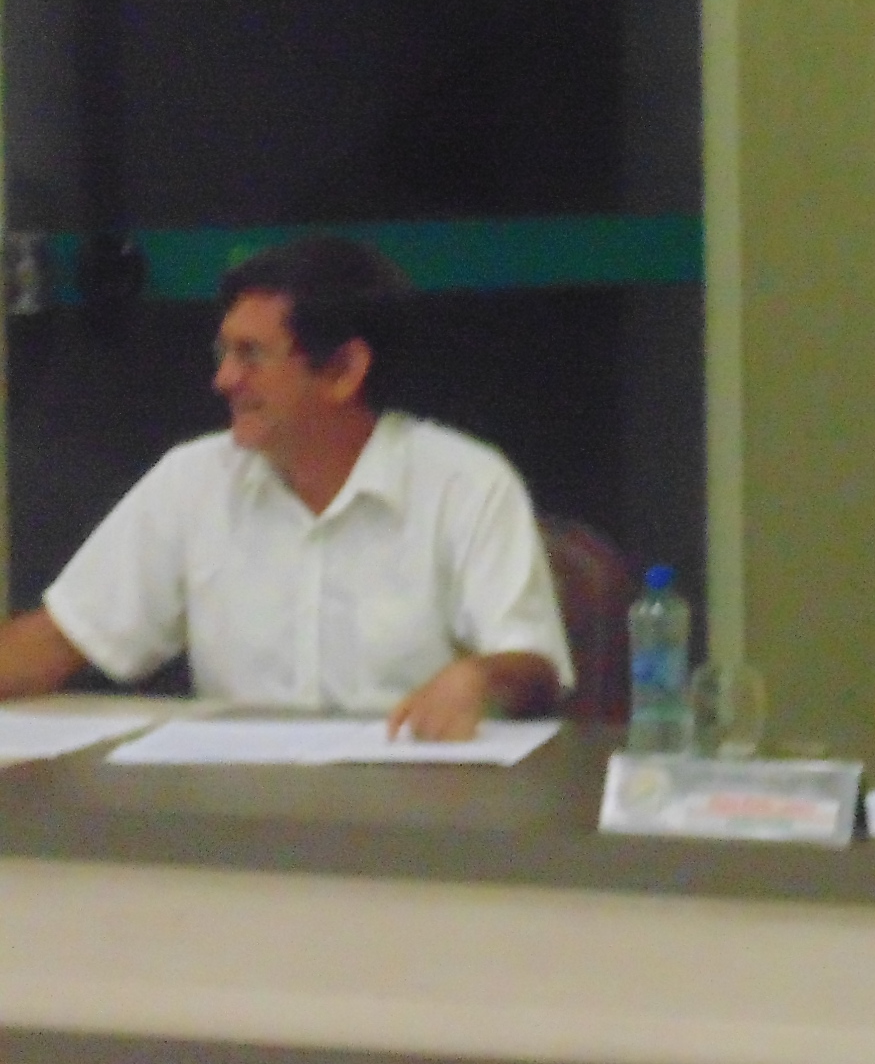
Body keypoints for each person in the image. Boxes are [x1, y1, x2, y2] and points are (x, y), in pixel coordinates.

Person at [0, 236, 571, 739]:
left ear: (344, 370)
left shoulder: (465, 484)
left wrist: (478, 678)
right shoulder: (193, 480)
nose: (223, 379)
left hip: (418, 799)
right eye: (224, 353)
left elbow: (534, 670)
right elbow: (53, 643)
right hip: (238, 804)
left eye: (251, 355)